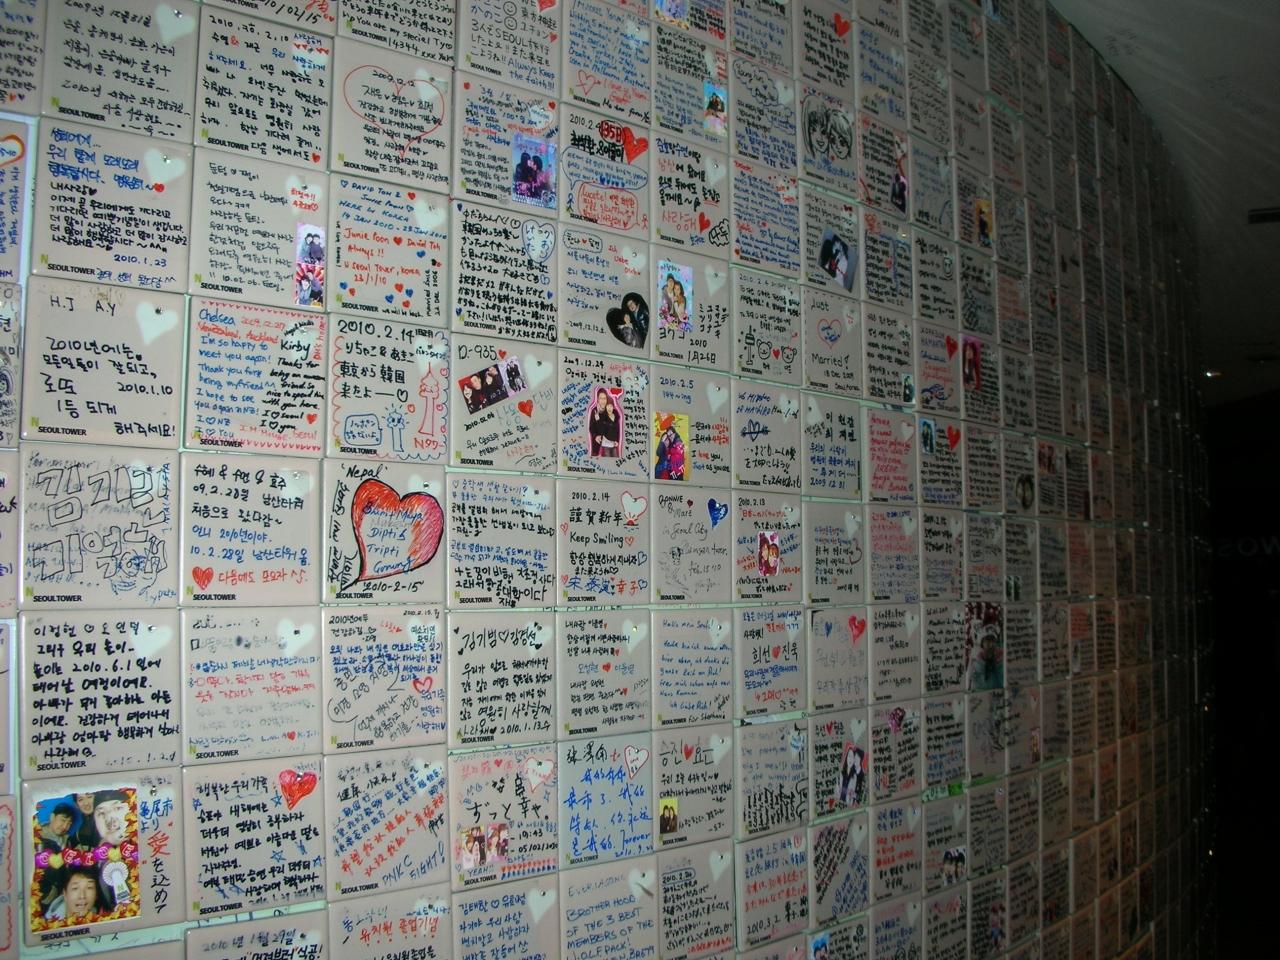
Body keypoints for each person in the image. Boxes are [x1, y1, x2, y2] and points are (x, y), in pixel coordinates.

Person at [588, 388, 621, 457]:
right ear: (597, 399)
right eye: (600, 398)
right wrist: (596, 436)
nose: (603, 401)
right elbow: (591, 427)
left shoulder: (611, 411)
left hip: (611, 443)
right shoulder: (594, 411)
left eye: (604, 398)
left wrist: (617, 440)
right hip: (598, 445)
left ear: (607, 399)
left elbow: (617, 428)